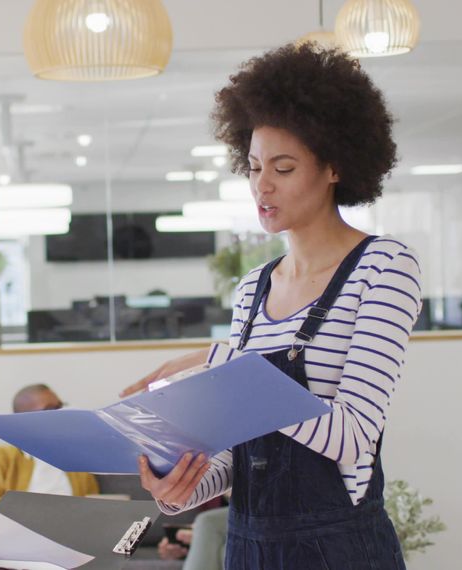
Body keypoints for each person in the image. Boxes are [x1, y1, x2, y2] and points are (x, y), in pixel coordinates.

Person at [124, 44, 421, 569]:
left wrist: (218, 360)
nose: (262, 186)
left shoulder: (383, 268)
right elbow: (246, 451)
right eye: (255, 166)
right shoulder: (252, 288)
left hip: (338, 549)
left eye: (283, 168)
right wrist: (182, 488)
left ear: (334, 166)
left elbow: (351, 438)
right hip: (248, 547)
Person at [0, 384, 99, 505]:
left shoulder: (75, 460)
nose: (60, 414)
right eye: (50, 409)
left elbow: (94, 504)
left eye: (60, 407)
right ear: (22, 421)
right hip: (17, 523)